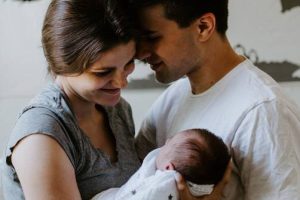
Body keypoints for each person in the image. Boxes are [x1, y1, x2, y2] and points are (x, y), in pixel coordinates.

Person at [130, 0, 300, 199]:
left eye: (152, 37)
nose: (141, 53)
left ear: (203, 27)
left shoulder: (263, 110)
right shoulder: (172, 97)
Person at [1, 0, 141, 199]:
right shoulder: (42, 134)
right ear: (62, 65)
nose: (121, 82)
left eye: (128, 64)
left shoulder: (119, 110)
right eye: (103, 72)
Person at [91, 129, 231, 200]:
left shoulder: (162, 186)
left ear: (169, 168)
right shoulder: (205, 189)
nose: (167, 140)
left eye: (168, 144)